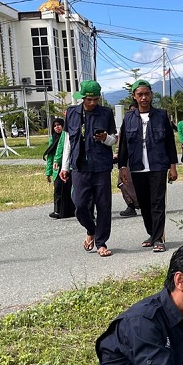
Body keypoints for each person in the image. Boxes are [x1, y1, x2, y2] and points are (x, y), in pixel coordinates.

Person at [117, 80, 178, 253]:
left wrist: (172, 166)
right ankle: (152, 234)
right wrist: (122, 167)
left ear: (151, 95)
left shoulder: (161, 115)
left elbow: (169, 143)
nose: (144, 97)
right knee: (143, 203)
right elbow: (123, 145)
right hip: (137, 167)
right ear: (134, 97)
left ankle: (159, 238)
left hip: (158, 165)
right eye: (140, 95)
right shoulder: (128, 118)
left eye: (147, 94)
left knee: (157, 202)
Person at [59, 80, 118, 257]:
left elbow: (114, 140)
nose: (93, 102)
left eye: (96, 99)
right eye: (89, 99)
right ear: (83, 98)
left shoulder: (106, 113)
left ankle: (101, 243)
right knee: (79, 205)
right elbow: (69, 141)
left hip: (101, 166)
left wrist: (105, 138)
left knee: (103, 206)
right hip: (79, 166)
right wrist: (64, 167)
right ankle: (91, 230)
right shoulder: (71, 113)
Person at [44, 117, 74, 219]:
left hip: (68, 166)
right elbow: (50, 157)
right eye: (55, 126)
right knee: (58, 189)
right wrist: (48, 172)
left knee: (69, 189)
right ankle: (58, 210)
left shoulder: (67, 136)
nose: (57, 127)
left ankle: (70, 210)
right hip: (57, 168)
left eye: (59, 125)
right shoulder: (53, 139)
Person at [119, 100, 141, 218]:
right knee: (123, 181)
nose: (132, 112)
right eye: (130, 110)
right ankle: (131, 206)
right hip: (127, 157)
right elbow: (122, 140)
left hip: (140, 158)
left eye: (135, 110)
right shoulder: (126, 122)